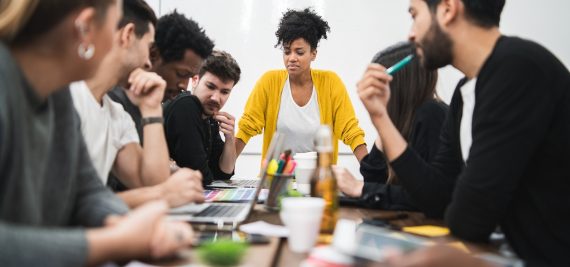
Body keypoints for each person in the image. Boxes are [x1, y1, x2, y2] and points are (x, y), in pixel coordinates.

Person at [357, 0, 570, 265]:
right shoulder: (464, 93)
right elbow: (437, 198)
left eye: (415, 15)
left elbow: (469, 218)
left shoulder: (518, 68)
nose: (411, 34)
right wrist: (380, 117)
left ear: (448, 9)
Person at [0, 0, 194, 265]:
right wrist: (117, 242)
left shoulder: (57, 96)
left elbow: (87, 192)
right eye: (113, 25)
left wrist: (139, 228)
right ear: (85, 27)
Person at [71, 0, 204, 208]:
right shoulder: (68, 97)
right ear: (128, 35)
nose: (148, 62)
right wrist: (161, 195)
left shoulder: (115, 115)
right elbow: (66, 206)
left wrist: (152, 109)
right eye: (149, 47)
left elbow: (151, 182)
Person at [236, 8, 367, 164]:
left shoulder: (331, 83)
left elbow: (350, 130)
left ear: (313, 53)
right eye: (287, 51)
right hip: (277, 182)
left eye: (299, 52)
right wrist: (224, 170)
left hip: (318, 183)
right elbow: (247, 127)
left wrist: (372, 172)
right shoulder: (269, 82)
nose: (291, 58)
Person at [333, 41, 448, 213]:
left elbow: (429, 196)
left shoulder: (431, 114)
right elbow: (374, 179)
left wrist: (359, 188)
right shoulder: (400, 121)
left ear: (397, 83)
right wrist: (384, 121)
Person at [107, 10, 214, 191]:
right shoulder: (114, 102)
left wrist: (174, 174)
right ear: (153, 54)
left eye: (190, 77)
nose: (184, 85)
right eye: (181, 74)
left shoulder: (146, 104)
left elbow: (152, 179)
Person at [164, 51, 241, 186]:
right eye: (210, 87)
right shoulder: (186, 106)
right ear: (195, 80)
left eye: (224, 92)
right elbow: (202, 178)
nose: (216, 98)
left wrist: (230, 137)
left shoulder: (208, 116)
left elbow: (224, 173)